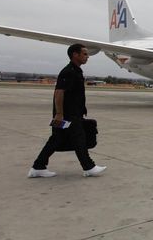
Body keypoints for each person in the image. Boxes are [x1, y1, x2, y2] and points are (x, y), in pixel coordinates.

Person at [28, 44, 107, 178]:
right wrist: (59, 114)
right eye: (85, 54)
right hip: (67, 115)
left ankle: (38, 166)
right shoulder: (68, 72)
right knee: (79, 138)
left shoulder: (76, 70)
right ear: (75, 55)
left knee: (56, 139)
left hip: (71, 113)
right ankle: (89, 167)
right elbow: (59, 93)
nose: (87, 57)